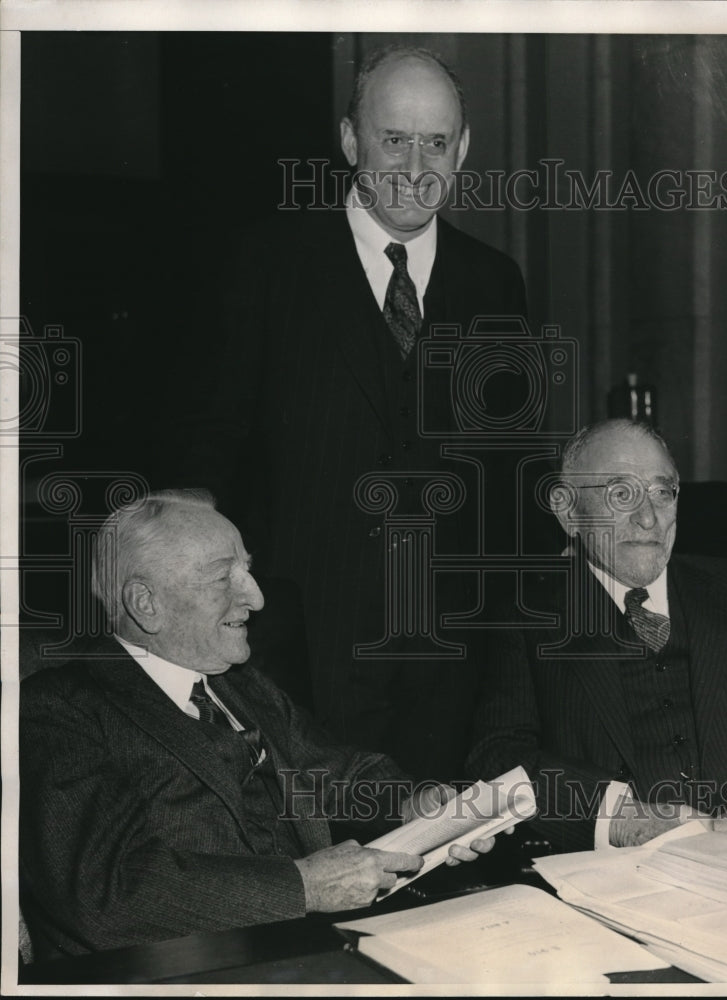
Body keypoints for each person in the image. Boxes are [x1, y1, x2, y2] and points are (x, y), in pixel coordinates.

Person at [158, 44, 528, 780]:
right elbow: (210, 446)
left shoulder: (495, 284)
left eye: (435, 142)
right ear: (352, 140)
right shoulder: (267, 262)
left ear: (463, 149)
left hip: (447, 651)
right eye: (394, 139)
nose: (415, 164)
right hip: (298, 648)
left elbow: (509, 476)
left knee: (443, 866)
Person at [19, 490, 496, 959]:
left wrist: (417, 805)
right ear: (146, 603)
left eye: (247, 569)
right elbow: (104, 895)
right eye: (225, 576)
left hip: (311, 954)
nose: (257, 597)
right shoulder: (58, 710)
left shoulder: (241, 687)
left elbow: (337, 774)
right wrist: (304, 886)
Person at [467, 419, 727, 853]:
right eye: (621, 494)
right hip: (616, 872)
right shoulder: (529, 618)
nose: (649, 517)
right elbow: (497, 757)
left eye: (662, 491)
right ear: (569, 514)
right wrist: (619, 817)